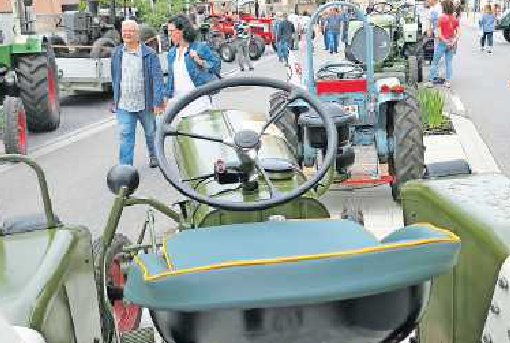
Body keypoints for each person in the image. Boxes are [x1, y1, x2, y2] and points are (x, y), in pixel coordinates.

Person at [111, 20, 165, 168]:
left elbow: (157, 79)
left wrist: (157, 101)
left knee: (151, 132)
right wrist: (115, 98)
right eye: (124, 31)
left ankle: (155, 156)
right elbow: (115, 76)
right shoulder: (116, 53)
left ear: (137, 34)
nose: (127, 34)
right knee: (125, 136)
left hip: (145, 103)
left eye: (130, 31)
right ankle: (126, 167)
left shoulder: (149, 54)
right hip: (124, 104)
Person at [166, 14, 221, 117]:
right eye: (168, 31)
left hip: (198, 102)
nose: (169, 34)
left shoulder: (200, 47)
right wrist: (166, 97)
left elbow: (215, 65)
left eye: (171, 31)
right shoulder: (171, 53)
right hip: (180, 104)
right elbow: (171, 78)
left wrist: (199, 61)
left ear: (182, 30)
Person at [426, 0, 460, 88]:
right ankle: (447, 82)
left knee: (435, 62)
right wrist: (452, 41)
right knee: (449, 62)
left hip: (442, 43)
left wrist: (446, 42)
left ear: (443, 8)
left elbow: (440, 35)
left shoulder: (440, 18)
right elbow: (459, 33)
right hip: (451, 43)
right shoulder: (455, 19)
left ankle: (430, 81)